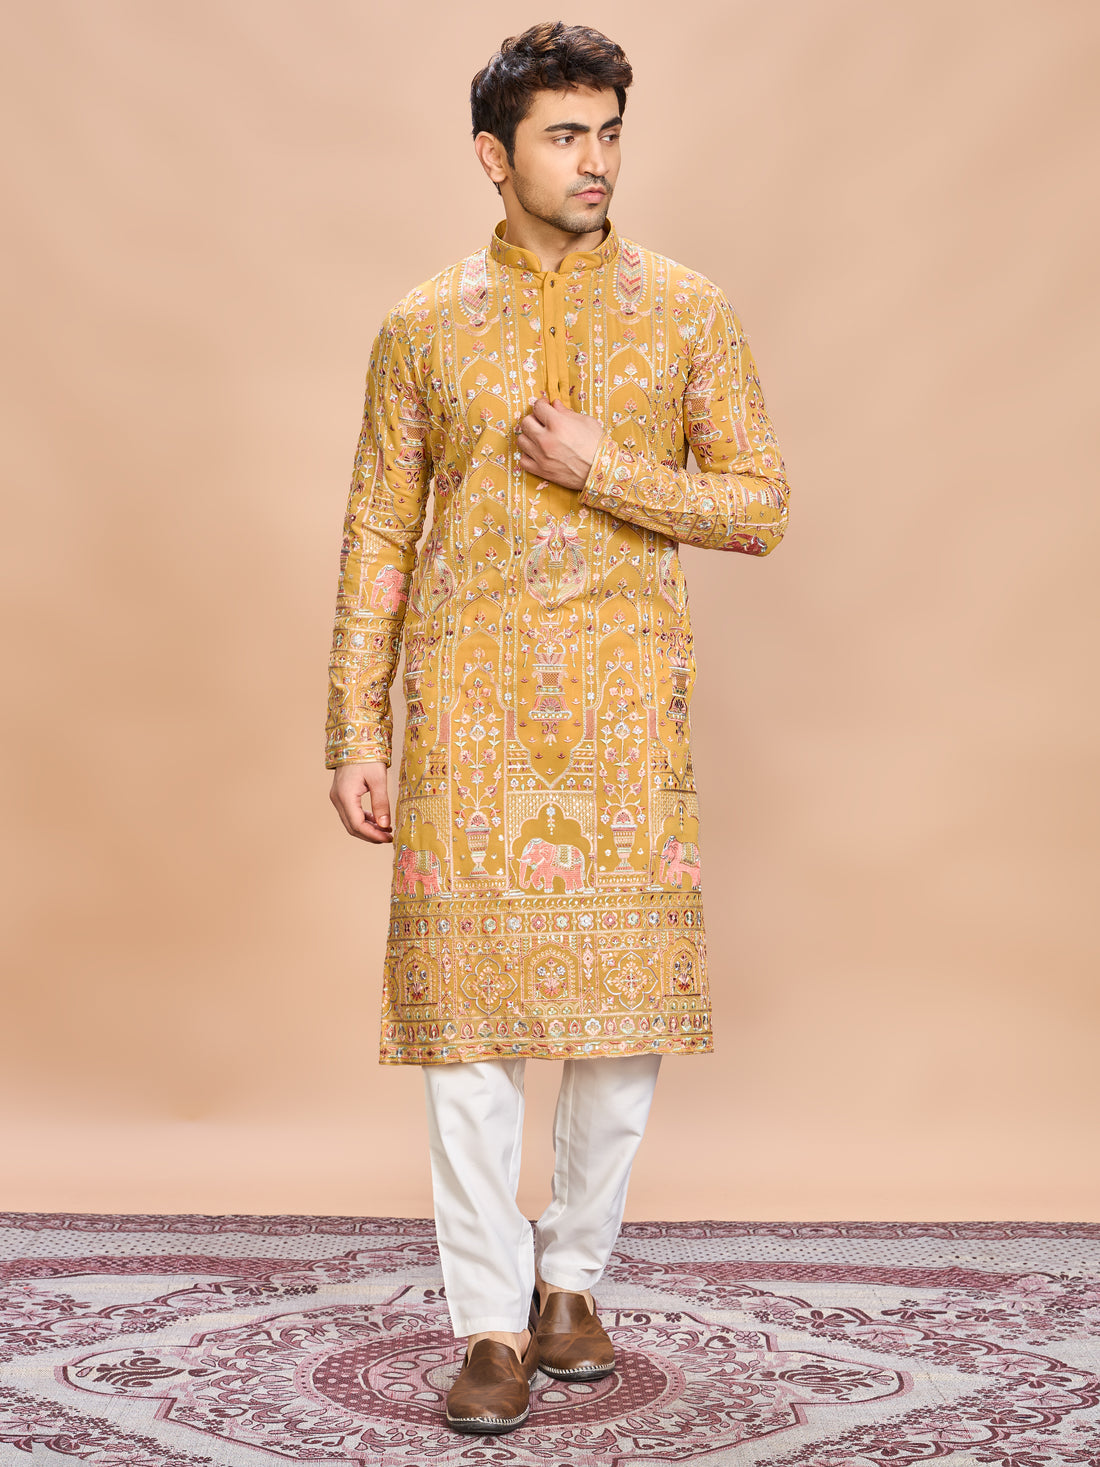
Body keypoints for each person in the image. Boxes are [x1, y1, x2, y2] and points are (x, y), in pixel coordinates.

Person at [325, 20, 791, 1435]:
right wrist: (355, 730)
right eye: (565, 135)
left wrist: (608, 469)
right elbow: (377, 535)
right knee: (466, 1038)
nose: (596, 161)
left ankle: (571, 1279)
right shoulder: (421, 326)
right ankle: (488, 1320)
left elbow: (760, 507)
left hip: (624, 718)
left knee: (617, 1026)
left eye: (609, 133)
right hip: (466, 722)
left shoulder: (687, 312)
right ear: (495, 154)